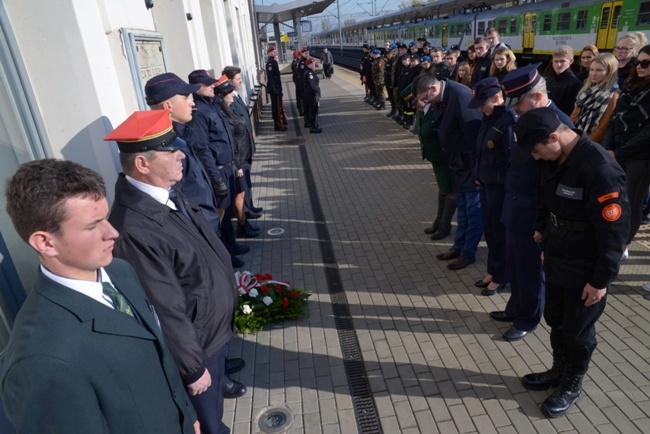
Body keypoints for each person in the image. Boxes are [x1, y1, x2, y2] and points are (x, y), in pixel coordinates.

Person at [1, 158, 199, 433]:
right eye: (93, 226)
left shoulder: (119, 272)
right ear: (45, 242)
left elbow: (158, 355)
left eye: (105, 218)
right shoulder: (40, 361)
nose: (113, 232)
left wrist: (188, 417)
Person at [105, 110, 239, 434]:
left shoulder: (166, 192)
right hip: (197, 349)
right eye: (171, 150)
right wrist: (193, 369)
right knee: (207, 424)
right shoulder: (134, 229)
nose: (182, 154)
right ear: (142, 164)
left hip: (211, 336)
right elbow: (164, 307)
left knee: (215, 413)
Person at [512, 107, 630, 418]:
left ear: (554, 137)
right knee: (555, 318)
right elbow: (544, 197)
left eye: (537, 150)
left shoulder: (598, 168)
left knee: (578, 332)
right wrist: (542, 231)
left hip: (585, 267)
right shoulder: (555, 158)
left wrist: (601, 280)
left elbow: (614, 233)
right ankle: (558, 370)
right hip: (557, 255)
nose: (536, 157)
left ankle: (572, 383)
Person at [415, 74, 483, 270]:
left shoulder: (461, 96)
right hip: (456, 164)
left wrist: (475, 172)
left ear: (433, 89)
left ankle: (468, 253)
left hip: (469, 167)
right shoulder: (442, 96)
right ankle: (459, 247)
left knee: (473, 213)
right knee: (462, 210)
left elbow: (474, 138)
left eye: (426, 99)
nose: (426, 105)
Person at [188, 70, 244, 268]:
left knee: (228, 214)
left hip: (228, 168)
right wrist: (215, 179)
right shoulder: (199, 113)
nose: (213, 86)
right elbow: (202, 149)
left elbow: (226, 139)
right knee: (220, 217)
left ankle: (232, 245)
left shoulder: (212, 106)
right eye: (208, 84)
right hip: (218, 170)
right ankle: (225, 255)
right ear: (196, 87)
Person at [469, 77, 516, 296]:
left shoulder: (507, 120)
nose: (479, 108)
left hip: (501, 189)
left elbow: (510, 160)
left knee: (500, 234)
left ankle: (501, 277)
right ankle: (493, 271)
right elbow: (480, 150)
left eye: (482, 103)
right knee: (491, 232)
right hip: (487, 185)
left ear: (497, 98)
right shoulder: (489, 117)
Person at [602, 44, 650, 259]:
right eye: (638, 62)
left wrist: (619, 152)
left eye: (645, 63)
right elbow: (613, 118)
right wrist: (608, 147)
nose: (639, 66)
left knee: (631, 202)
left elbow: (647, 133)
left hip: (641, 157)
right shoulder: (630, 85)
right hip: (618, 150)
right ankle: (610, 237)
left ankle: (622, 245)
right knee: (612, 198)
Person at [413, 76, 457, 241]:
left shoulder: (437, 108)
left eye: (422, 99)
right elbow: (419, 129)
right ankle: (438, 221)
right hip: (436, 159)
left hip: (445, 157)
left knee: (451, 190)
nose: (419, 103)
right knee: (443, 188)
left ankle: (445, 225)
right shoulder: (424, 110)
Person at [216, 78, 260, 238]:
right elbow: (230, 142)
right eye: (229, 94)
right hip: (238, 161)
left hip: (243, 158)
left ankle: (244, 223)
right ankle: (242, 225)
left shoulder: (228, 110)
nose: (233, 96)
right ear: (222, 95)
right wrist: (237, 164)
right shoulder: (223, 114)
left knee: (242, 192)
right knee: (239, 194)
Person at [223, 65, 264, 220]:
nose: (241, 82)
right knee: (243, 183)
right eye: (238, 79)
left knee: (247, 179)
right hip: (241, 150)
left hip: (246, 147)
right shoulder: (229, 100)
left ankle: (250, 205)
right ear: (229, 81)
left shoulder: (236, 95)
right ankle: (246, 210)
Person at [500, 63, 575, 127]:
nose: (514, 108)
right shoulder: (526, 116)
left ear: (537, 97)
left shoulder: (561, 125)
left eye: (518, 102)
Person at [570, 53, 620, 144]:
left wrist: (581, 143)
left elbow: (602, 127)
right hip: (576, 135)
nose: (593, 73)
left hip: (590, 143)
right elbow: (574, 115)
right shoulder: (587, 90)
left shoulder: (613, 94)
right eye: (591, 70)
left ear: (610, 71)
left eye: (599, 70)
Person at [546, 45, 582, 116]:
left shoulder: (574, 83)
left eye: (562, 61)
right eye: (556, 61)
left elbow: (570, 110)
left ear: (571, 61)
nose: (558, 65)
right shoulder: (551, 80)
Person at [265, 45, 286, 132]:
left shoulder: (273, 62)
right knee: (275, 107)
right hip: (274, 89)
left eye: (275, 51)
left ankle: (279, 122)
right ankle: (277, 124)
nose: (275, 52)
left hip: (277, 88)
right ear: (269, 53)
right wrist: (274, 89)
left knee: (278, 106)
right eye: (273, 51)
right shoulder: (270, 63)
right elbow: (271, 78)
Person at [304, 57, 322, 133]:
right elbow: (312, 85)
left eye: (313, 63)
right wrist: (316, 93)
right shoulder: (310, 73)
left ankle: (314, 125)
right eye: (311, 64)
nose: (313, 65)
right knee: (313, 110)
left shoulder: (310, 72)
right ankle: (313, 127)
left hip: (310, 94)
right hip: (312, 94)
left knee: (313, 110)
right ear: (308, 65)